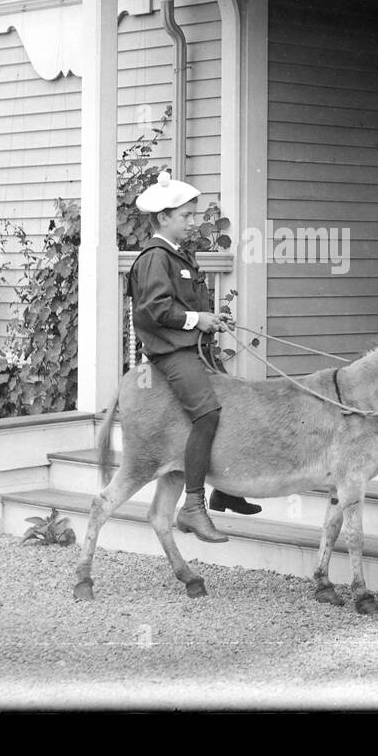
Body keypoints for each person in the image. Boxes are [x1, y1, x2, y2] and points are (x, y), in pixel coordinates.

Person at [127, 171, 260, 542]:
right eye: (185, 216)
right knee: (207, 414)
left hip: (193, 346)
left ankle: (227, 491)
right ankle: (192, 507)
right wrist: (196, 319)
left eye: (191, 215)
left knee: (235, 404)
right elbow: (154, 311)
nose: (191, 222)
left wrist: (210, 319)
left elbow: (186, 303)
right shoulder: (155, 258)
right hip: (171, 353)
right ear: (162, 218)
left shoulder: (178, 255)